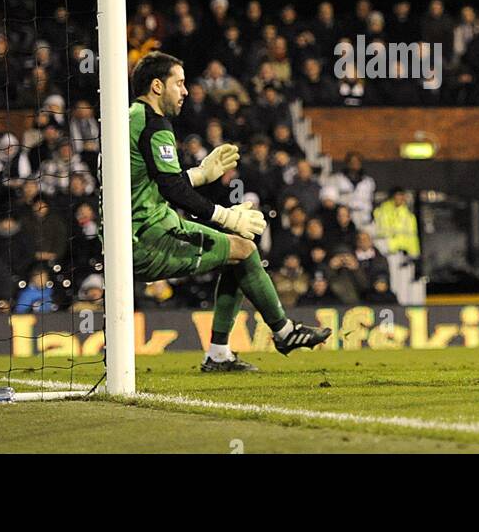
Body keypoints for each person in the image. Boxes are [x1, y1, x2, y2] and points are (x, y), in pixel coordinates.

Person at [128, 52, 329, 373]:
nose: (185, 91)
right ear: (156, 86)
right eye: (178, 83)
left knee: (238, 251)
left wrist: (199, 174)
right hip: (147, 238)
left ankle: (222, 353)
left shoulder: (130, 119)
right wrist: (225, 215)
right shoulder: (155, 124)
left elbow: (149, 182)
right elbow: (171, 189)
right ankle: (283, 333)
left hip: (132, 232)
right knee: (244, 248)